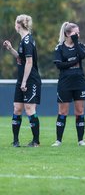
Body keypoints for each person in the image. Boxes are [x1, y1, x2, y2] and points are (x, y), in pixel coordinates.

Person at [3, 14, 41, 147]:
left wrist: (24, 81)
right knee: (17, 108)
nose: (14, 25)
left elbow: (29, 63)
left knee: (29, 109)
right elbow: (21, 58)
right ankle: (15, 141)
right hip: (22, 79)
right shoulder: (23, 40)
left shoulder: (28, 41)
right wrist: (10, 49)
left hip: (30, 80)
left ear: (18, 25)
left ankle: (36, 141)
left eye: (15, 23)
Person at [52, 22, 85, 146]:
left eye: (78, 32)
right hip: (65, 83)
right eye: (75, 33)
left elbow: (83, 55)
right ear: (67, 34)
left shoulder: (80, 45)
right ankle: (58, 140)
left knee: (79, 111)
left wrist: (76, 42)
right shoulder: (59, 48)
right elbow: (59, 65)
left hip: (79, 82)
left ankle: (81, 140)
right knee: (62, 112)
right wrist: (74, 62)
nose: (78, 35)